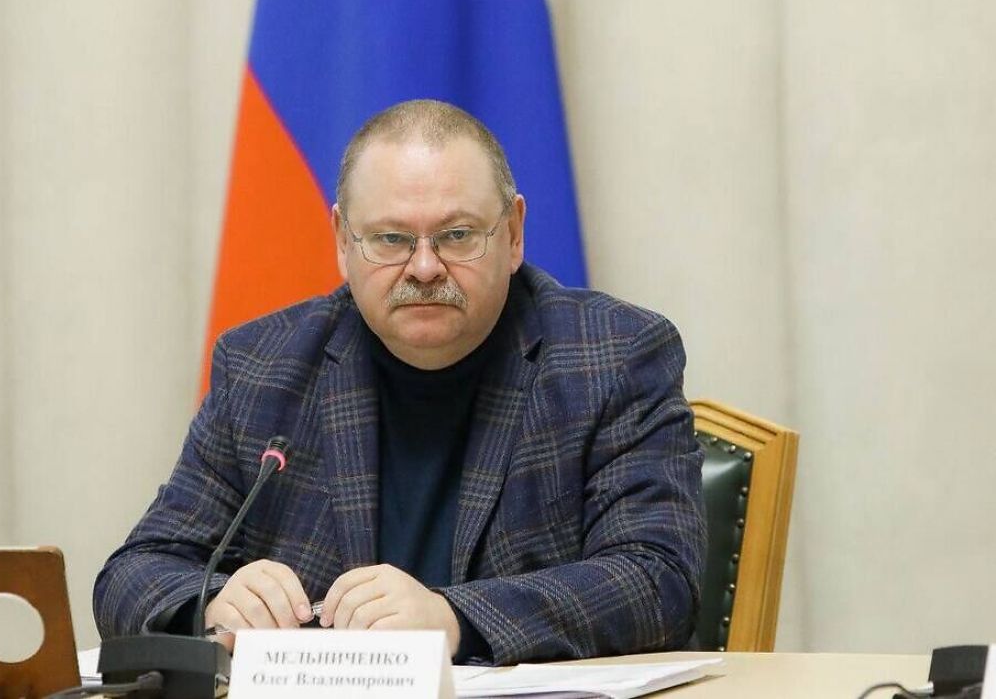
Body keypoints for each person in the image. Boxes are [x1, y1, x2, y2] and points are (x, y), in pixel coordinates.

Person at [94, 99, 705, 666]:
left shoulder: (614, 356)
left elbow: (659, 580)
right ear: (343, 242)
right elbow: (133, 574)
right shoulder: (261, 367)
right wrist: (213, 602)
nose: (425, 267)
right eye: (391, 239)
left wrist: (453, 619)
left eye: (458, 235)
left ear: (514, 234)